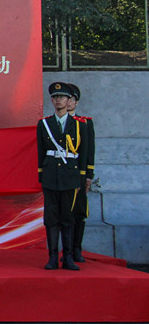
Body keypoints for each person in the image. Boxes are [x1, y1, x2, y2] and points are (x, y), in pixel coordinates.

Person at [37, 82, 88, 271]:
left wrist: (82, 177)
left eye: (62, 97)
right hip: (51, 174)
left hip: (70, 176)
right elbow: (41, 152)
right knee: (51, 218)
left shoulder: (80, 125)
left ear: (69, 100)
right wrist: (41, 175)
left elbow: (84, 153)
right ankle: (52, 257)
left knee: (67, 217)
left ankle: (68, 257)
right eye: (55, 97)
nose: (58, 100)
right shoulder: (44, 124)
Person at [67, 83, 95, 263]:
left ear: (76, 102)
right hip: (62, 175)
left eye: (72, 99)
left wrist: (88, 175)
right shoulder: (53, 123)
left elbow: (89, 150)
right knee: (64, 214)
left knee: (79, 212)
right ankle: (67, 250)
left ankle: (77, 249)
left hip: (79, 174)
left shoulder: (85, 122)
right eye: (66, 98)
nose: (68, 102)